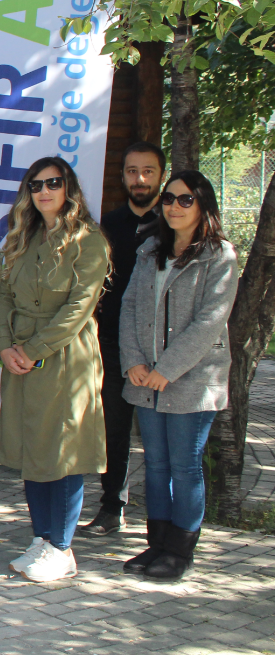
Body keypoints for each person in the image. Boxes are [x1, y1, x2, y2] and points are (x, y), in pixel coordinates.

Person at [0, 158, 110, 583]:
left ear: (68, 188)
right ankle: (42, 539)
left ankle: (61, 547)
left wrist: (34, 348)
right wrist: (4, 347)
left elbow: (80, 307)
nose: (44, 191)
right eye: (36, 184)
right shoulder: (22, 238)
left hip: (64, 358)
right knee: (31, 449)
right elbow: (4, 296)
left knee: (61, 454)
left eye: (53, 183)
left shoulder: (88, 240)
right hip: (20, 358)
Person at [119, 170, 237, 582]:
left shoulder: (219, 254)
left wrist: (166, 369)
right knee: (155, 464)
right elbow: (130, 305)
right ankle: (157, 544)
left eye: (185, 200)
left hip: (190, 380)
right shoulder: (152, 248)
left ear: (203, 204)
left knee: (184, 466)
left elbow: (210, 322)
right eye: (168, 199)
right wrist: (133, 361)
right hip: (144, 379)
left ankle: (180, 552)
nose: (173, 206)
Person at [83, 141, 167, 536]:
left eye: (148, 171)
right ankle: (111, 504)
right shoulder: (109, 226)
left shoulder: (173, 222)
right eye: (133, 171)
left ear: (160, 175)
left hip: (163, 352)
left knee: (162, 439)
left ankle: (164, 519)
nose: (140, 179)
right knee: (114, 431)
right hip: (114, 345)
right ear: (123, 176)